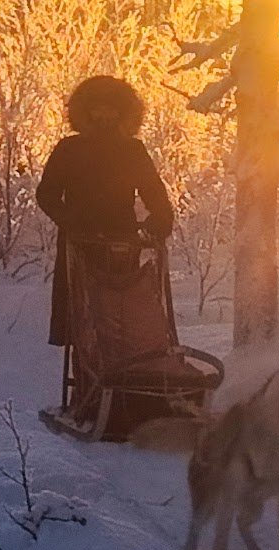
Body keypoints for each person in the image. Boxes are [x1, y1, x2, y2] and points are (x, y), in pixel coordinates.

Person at [35, 75, 176, 350]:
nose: (104, 115)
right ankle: (87, 388)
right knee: (82, 320)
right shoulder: (69, 149)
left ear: (122, 112)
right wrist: (70, 220)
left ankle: (120, 386)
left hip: (121, 246)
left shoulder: (133, 151)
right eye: (97, 108)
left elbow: (155, 195)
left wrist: (159, 221)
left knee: (120, 320)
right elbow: (47, 194)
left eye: (111, 108)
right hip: (79, 244)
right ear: (85, 111)